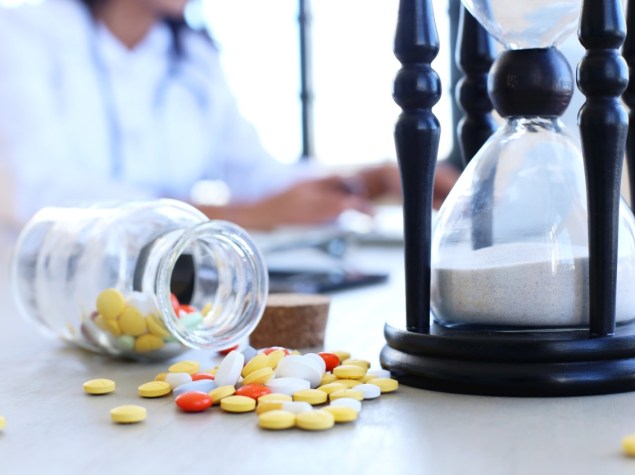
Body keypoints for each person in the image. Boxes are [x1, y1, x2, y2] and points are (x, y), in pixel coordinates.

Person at [0, 0, 459, 233]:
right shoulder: (22, 33)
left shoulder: (192, 56)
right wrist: (243, 216)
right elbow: (38, 196)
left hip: (169, 293)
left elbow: (257, 176)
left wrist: (374, 179)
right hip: (38, 313)